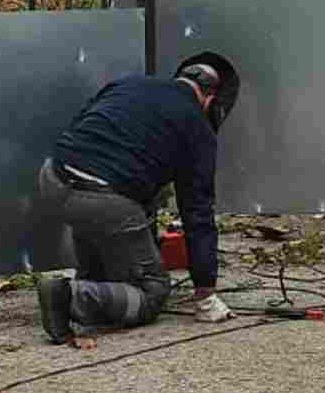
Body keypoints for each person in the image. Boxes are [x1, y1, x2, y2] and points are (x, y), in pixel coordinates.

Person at [32, 53, 240, 343]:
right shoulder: (197, 126)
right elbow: (198, 212)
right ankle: (68, 297)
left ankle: (89, 286)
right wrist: (205, 292)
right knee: (152, 292)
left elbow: (84, 124)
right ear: (209, 99)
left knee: (106, 250)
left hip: (53, 177)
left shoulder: (128, 84)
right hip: (100, 198)